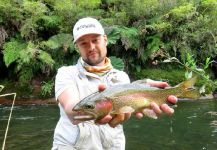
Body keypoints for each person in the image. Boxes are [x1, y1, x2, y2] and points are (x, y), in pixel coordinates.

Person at [52, 17, 177, 150]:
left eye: (95, 40)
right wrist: (84, 111)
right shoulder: (66, 73)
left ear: (105, 40)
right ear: (77, 47)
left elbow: (129, 106)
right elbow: (72, 108)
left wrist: (144, 89)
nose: (91, 47)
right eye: (83, 43)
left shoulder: (121, 77)